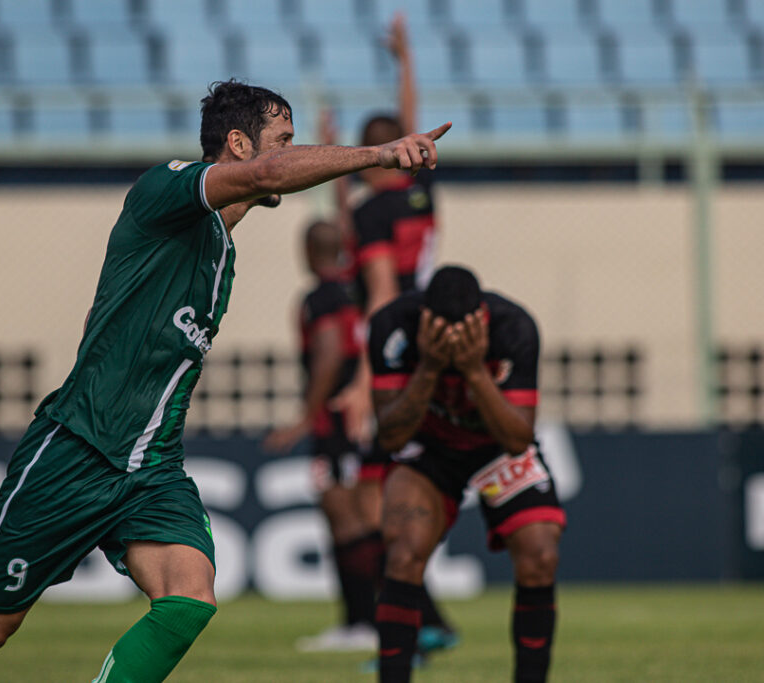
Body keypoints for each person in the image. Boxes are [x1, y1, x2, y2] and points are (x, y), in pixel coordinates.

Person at [0, 79, 451, 683]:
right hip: (77, 448)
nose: (290, 151)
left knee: (190, 597)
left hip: (151, 466)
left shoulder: (221, 254)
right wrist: (379, 156)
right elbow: (267, 175)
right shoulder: (166, 189)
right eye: (282, 139)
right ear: (237, 144)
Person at [328, 13, 457, 657]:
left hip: (393, 352)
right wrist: (406, 58)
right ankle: (419, 620)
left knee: (380, 494)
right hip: (432, 337)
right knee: (392, 486)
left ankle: (419, 620)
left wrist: (359, 381)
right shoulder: (417, 194)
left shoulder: (374, 209)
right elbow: (411, 127)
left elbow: (378, 292)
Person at [368, 265, 566, 683]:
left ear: (482, 317)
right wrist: (430, 367)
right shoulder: (392, 325)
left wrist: (475, 370)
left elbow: (517, 439)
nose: (454, 338)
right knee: (403, 553)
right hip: (429, 448)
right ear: (424, 316)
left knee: (540, 554)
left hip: (493, 447)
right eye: (442, 329)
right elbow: (390, 435)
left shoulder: (514, 327)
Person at [263, 220, 379, 652]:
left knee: (343, 517)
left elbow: (329, 352)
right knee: (358, 517)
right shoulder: (356, 289)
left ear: (308, 251)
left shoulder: (320, 298)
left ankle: (362, 623)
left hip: (334, 422)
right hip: (361, 418)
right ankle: (368, 620)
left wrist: (304, 417)